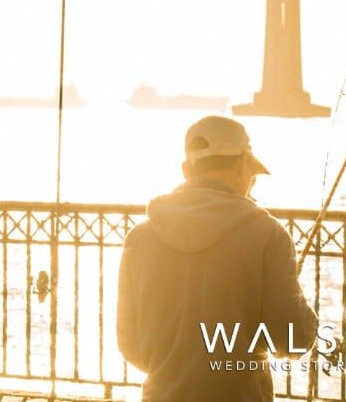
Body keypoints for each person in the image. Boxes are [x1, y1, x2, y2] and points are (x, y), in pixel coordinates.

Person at [117, 115, 318, 401]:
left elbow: (130, 345)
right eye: (253, 174)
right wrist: (305, 319)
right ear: (242, 165)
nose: (253, 183)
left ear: (187, 170)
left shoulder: (140, 238)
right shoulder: (268, 235)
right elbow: (292, 340)